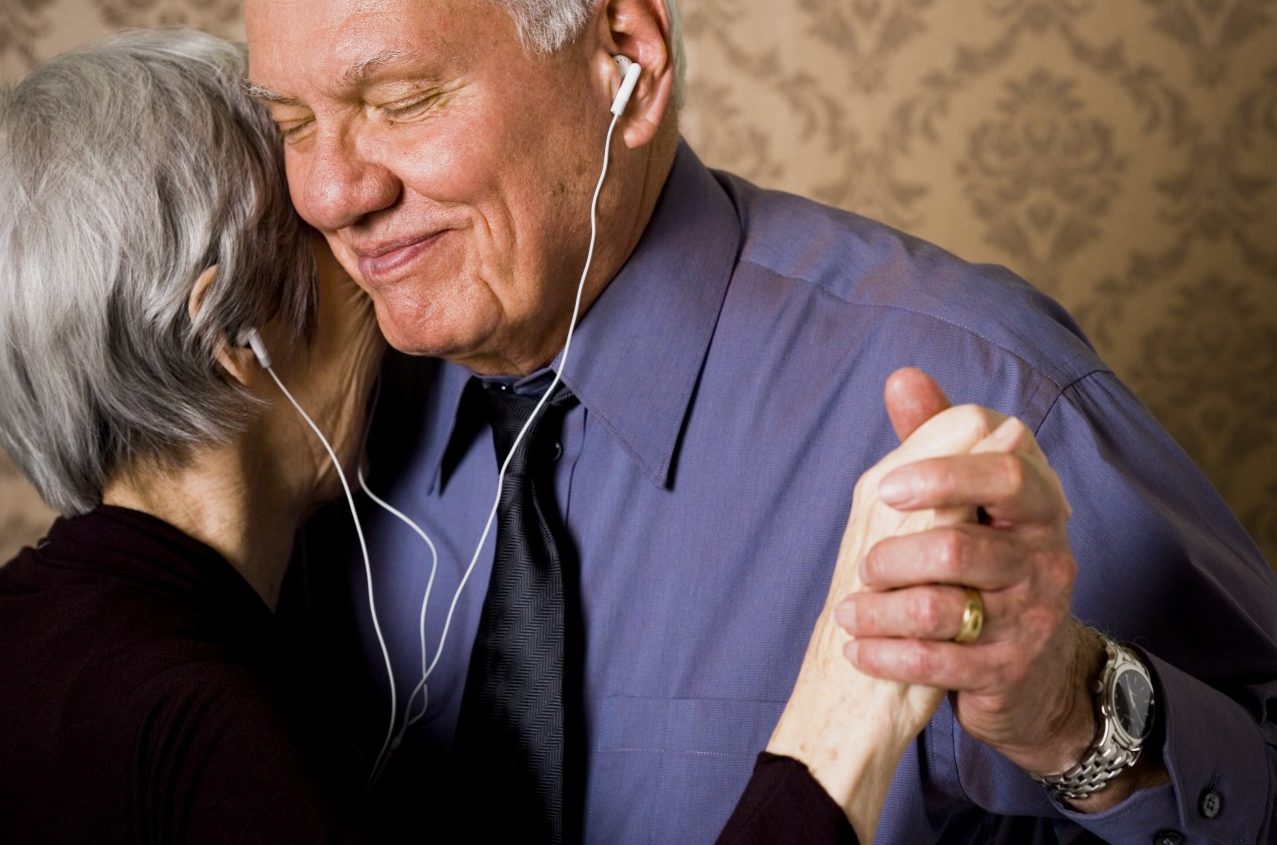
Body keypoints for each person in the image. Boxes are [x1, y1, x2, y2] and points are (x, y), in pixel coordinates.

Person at [247, 0, 1277, 842]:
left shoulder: (982, 383)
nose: (333, 192)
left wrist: (1068, 712)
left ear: (625, 62)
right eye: (292, 123)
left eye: (401, 99)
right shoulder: (289, 417)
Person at [0, 28, 1012, 845]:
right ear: (232, 333)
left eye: (397, 106)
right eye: (298, 147)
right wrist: (840, 733)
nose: (354, 217)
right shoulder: (203, 716)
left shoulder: (44, 636)